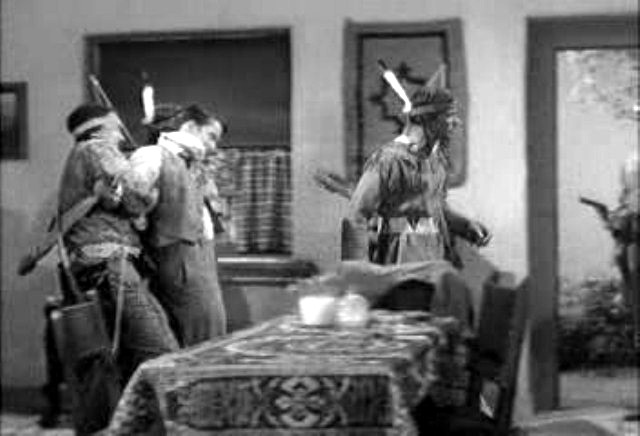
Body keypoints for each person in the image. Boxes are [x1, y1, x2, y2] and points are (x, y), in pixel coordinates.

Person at [340, 85, 491, 326]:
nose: (455, 123)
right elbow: (356, 214)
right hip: (403, 271)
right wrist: (360, 278)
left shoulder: (435, 160)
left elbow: (432, 209)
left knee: (443, 331)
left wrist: (464, 226)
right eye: (448, 116)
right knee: (412, 330)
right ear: (427, 120)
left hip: (438, 264)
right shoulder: (389, 160)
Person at [122, 104, 228, 347]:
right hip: (177, 256)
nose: (214, 146)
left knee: (210, 328)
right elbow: (131, 203)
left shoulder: (191, 164)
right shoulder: (152, 155)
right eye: (211, 136)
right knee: (200, 332)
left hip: (199, 255)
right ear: (190, 127)